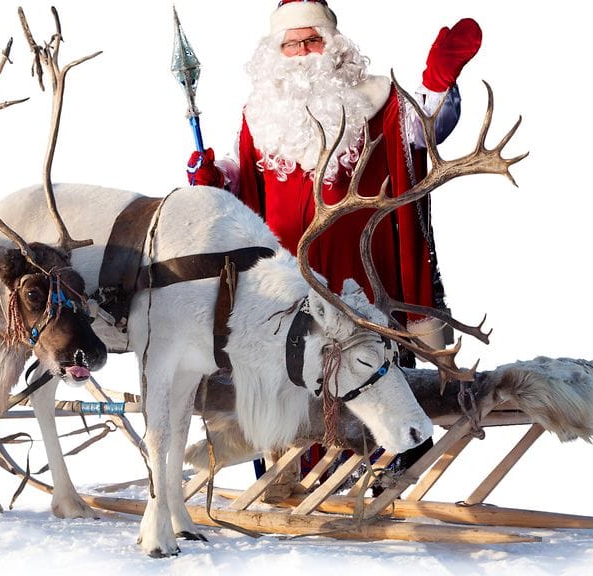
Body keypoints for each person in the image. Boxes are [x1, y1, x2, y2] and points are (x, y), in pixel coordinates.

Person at [187, 0, 482, 490]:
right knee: (291, 365)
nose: (303, 53)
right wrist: (211, 177)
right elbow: (243, 191)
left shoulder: (376, 100)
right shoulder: (259, 115)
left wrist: (437, 82)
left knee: (363, 360)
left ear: (333, 43)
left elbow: (422, 131)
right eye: (292, 43)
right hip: (284, 278)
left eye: (313, 40)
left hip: (360, 274)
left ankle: (377, 470)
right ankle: (288, 475)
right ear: (274, 52)